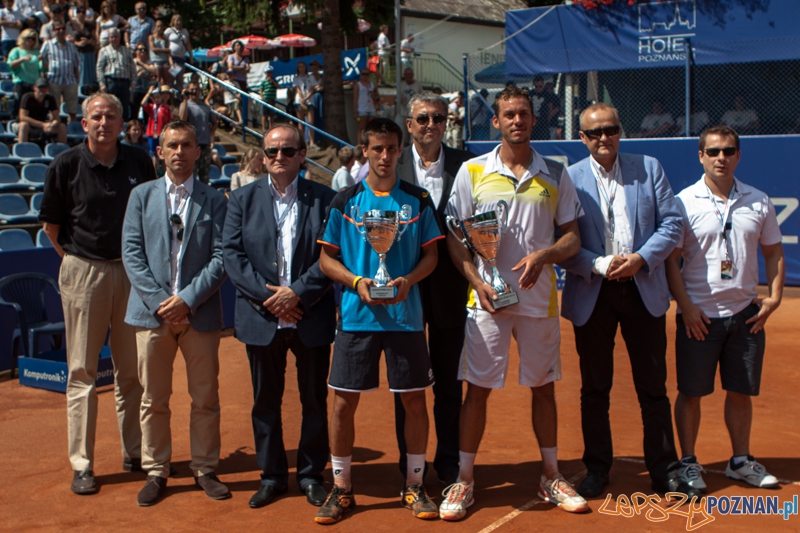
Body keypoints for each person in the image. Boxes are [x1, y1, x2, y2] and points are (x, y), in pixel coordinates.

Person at [440, 86, 586, 521]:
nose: (517, 120)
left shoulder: (556, 173)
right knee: (477, 390)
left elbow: (573, 237)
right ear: (497, 122)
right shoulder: (471, 171)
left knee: (543, 388)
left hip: (539, 303)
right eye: (509, 114)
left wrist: (546, 255)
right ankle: (464, 479)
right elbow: (455, 238)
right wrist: (475, 282)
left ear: (532, 119)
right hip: (486, 302)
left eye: (523, 113)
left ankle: (550, 474)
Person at [557, 102, 697, 500]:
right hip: (593, 292)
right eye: (595, 132)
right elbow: (563, 241)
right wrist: (598, 263)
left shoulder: (648, 167)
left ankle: (664, 470)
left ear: (621, 131)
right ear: (582, 138)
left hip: (643, 290)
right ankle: (597, 469)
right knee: (595, 389)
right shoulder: (570, 178)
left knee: (653, 387)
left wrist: (641, 259)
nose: (604, 138)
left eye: (611, 129)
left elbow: (672, 223)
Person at [315, 118, 441, 524]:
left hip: (404, 317)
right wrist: (356, 282)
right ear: (364, 151)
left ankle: (415, 484)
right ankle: (342, 488)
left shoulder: (417, 200)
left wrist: (408, 280)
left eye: (391, 148)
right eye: (377, 149)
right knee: (342, 404)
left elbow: (432, 257)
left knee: (414, 401)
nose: (385, 156)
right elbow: (326, 260)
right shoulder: (344, 201)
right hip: (356, 318)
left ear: (400, 150)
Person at [38, 92, 157, 495]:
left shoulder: (140, 161)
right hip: (83, 272)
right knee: (82, 373)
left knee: (131, 372)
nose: (103, 122)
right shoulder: (65, 164)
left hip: (131, 274)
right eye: (96, 116)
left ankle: (136, 451)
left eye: (110, 116)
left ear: (122, 123)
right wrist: (78, 263)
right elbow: (51, 228)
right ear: (84, 123)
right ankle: (82, 464)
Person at [222, 124, 337, 510]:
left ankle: (310, 475)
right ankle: (271, 476)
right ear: (263, 156)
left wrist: (296, 293)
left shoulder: (325, 199)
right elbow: (232, 256)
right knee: (265, 403)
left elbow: (332, 256)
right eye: (272, 152)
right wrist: (269, 299)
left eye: (288, 151)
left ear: (303, 155)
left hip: (310, 314)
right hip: (261, 317)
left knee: (314, 401)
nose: (279, 158)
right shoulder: (241, 199)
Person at [665, 125, 785, 492]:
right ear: (700, 155)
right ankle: (688, 462)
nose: (722, 158)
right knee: (691, 392)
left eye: (729, 151)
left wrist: (774, 297)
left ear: (738, 155)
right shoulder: (683, 202)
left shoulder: (759, 200)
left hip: (746, 314)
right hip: (698, 316)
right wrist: (685, 306)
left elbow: (773, 251)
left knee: (740, 391)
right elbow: (670, 261)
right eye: (714, 151)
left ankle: (740, 461)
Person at [122, 120, 229, 507]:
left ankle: (204, 467)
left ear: (198, 151)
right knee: (153, 398)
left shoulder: (215, 200)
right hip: (152, 317)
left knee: (205, 396)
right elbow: (132, 255)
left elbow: (221, 258)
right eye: (172, 145)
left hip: (198, 314)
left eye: (187, 145)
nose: (180, 152)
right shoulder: (141, 196)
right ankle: (156, 469)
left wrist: (187, 299)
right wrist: (160, 302)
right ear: (160, 152)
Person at [393, 92, 474, 488]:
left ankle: (448, 462)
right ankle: (410, 464)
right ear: (409, 124)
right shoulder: (391, 164)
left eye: (438, 118)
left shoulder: (467, 165)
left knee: (448, 384)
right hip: (404, 290)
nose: (430, 125)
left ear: (447, 122)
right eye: (422, 118)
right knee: (406, 384)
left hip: (451, 291)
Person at [39, 19, 79, 121]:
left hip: (70, 80)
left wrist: (77, 81)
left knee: (72, 110)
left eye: (63, 28)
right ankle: (55, 131)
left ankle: (72, 130)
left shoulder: (72, 46)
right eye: (58, 29)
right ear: (54, 30)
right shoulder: (48, 44)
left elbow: (76, 65)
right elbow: (40, 60)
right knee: (54, 109)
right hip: (54, 80)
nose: (61, 31)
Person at [179, 80, 216, 185]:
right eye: (192, 90)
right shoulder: (186, 104)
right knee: (192, 174)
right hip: (192, 145)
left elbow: (214, 122)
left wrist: (211, 135)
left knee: (205, 175)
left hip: (205, 144)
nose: (194, 91)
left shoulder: (205, 106)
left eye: (196, 89)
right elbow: (182, 119)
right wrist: (185, 100)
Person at [96, 27, 135, 121]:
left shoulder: (126, 50)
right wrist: (102, 84)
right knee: (111, 106)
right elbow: (99, 68)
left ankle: (124, 128)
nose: (114, 39)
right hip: (111, 81)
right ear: (109, 38)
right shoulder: (104, 51)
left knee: (124, 107)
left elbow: (132, 67)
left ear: (120, 37)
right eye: (111, 37)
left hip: (125, 82)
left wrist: (134, 81)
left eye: (116, 37)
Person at [16, 76, 66, 142]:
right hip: (29, 125)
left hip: (43, 126)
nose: (43, 89)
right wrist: (42, 124)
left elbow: (57, 118)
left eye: (45, 87)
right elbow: (23, 117)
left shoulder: (50, 98)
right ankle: (22, 149)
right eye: (40, 87)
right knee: (24, 125)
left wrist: (52, 124)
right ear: (34, 88)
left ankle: (62, 149)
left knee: (62, 126)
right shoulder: (27, 97)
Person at [7, 28, 40, 116]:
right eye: (28, 37)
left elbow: (42, 69)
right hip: (21, 83)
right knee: (19, 105)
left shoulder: (36, 52)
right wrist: (22, 59)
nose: (31, 40)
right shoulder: (16, 50)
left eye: (33, 38)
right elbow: (11, 65)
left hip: (33, 84)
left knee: (32, 108)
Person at [141, 83, 172, 154]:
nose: (156, 99)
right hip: (152, 133)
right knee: (153, 153)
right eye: (154, 98)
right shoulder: (151, 107)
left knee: (164, 153)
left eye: (158, 97)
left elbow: (170, 121)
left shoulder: (166, 108)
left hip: (162, 134)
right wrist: (149, 93)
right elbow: (143, 103)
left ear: (161, 97)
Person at [71, 5, 96, 86]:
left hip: (89, 53)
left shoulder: (89, 24)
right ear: (76, 13)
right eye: (79, 12)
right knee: (79, 73)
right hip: (77, 53)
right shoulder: (72, 24)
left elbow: (95, 40)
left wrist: (88, 41)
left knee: (89, 75)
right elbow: (68, 40)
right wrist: (77, 43)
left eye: (83, 12)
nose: (81, 14)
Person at [164, 13, 190, 90]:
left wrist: (191, 56)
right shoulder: (169, 31)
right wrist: (169, 59)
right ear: (173, 21)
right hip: (173, 58)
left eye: (180, 21)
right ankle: (169, 96)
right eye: (177, 20)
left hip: (182, 58)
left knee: (180, 79)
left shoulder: (184, 31)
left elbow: (188, 44)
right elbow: (165, 44)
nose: (179, 22)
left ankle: (179, 96)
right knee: (171, 78)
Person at [396, 67, 421, 145]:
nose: (408, 76)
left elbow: (422, 98)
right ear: (404, 75)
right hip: (402, 112)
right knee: (401, 133)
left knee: (413, 134)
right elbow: (396, 99)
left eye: (410, 74)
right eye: (407, 74)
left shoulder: (418, 85)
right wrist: (399, 99)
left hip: (413, 113)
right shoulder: (401, 85)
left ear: (413, 75)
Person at [353, 68, 375, 144]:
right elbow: (355, 98)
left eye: (367, 74)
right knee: (361, 129)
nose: (365, 76)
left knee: (371, 129)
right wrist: (355, 111)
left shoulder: (372, 84)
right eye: (363, 74)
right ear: (361, 75)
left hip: (371, 108)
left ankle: (369, 144)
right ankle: (359, 146)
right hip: (362, 109)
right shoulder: (358, 85)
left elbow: (376, 96)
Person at [292, 61, 311, 137]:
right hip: (299, 100)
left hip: (309, 100)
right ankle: (301, 139)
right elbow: (297, 88)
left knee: (310, 121)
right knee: (300, 121)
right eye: (300, 67)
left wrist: (306, 98)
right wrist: (302, 99)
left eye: (303, 66)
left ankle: (310, 140)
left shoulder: (310, 77)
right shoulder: (296, 78)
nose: (301, 68)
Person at [307, 59, 323, 149]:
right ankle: (310, 139)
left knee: (319, 117)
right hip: (311, 98)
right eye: (311, 65)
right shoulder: (309, 77)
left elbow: (322, 87)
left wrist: (318, 88)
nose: (313, 67)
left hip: (319, 98)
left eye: (314, 65)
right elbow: (310, 88)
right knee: (310, 120)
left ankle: (319, 138)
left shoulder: (321, 76)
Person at [259, 64, 278, 132]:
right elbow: (261, 90)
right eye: (268, 72)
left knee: (271, 115)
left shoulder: (274, 80)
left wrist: (272, 81)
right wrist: (262, 97)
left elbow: (277, 86)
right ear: (265, 73)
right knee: (264, 114)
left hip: (272, 98)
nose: (269, 74)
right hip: (265, 98)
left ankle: (271, 128)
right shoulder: (264, 81)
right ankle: (263, 128)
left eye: (270, 72)